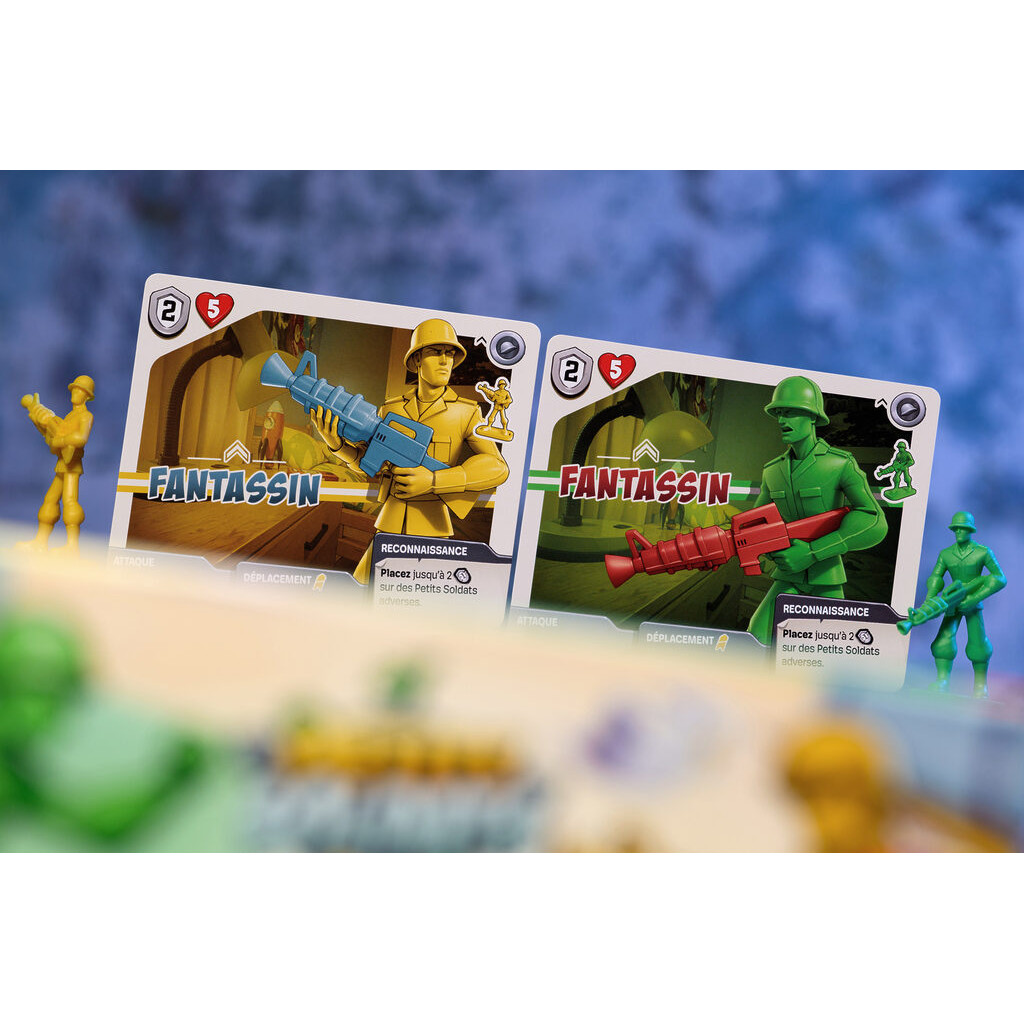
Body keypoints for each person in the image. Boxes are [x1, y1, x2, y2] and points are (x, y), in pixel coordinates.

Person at [311, 318, 509, 584]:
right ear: (417, 360)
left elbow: (497, 467)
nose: (445, 361)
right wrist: (337, 445)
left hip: (433, 526)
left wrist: (434, 481)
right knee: (361, 589)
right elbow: (370, 463)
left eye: (450, 353)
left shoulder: (466, 412)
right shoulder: (391, 408)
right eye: (435, 352)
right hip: (390, 520)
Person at [747, 376, 888, 645]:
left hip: (826, 578)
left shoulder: (840, 463)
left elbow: (874, 520)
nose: (782, 420)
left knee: (827, 645)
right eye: (779, 413)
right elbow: (755, 525)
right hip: (788, 576)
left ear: (812, 416)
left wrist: (813, 553)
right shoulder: (772, 471)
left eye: (791, 412)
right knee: (758, 634)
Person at [924, 512, 1005, 697]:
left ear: (970, 530)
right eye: (956, 529)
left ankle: (980, 685)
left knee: (979, 644)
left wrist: (975, 598)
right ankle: (942, 680)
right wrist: (931, 596)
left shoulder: (983, 552)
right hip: (952, 601)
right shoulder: (946, 554)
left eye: (963, 528)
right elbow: (936, 576)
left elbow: (999, 578)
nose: (959, 532)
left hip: (973, 603)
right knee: (943, 641)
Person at [17, 375, 95, 554]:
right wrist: (42, 424)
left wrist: (60, 440)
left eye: (80, 390)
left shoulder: (86, 416)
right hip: (62, 463)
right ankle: (40, 542)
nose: (75, 393)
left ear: (87, 396)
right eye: (74, 389)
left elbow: (81, 438)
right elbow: (56, 433)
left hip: (72, 465)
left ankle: (72, 547)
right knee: (50, 500)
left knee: (70, 502)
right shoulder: (69, 416)